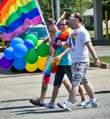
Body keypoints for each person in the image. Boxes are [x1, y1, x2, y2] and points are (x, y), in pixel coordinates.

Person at [57, 13, 101, 111]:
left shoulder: (83, 32)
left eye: (70, 19)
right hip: (75, 62)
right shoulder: (73, 32)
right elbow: (68, 45)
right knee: (85, 81)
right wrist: (61, 43)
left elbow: (90, 46)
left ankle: (68, 104)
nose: (69, 21)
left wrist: (95, 58)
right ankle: (94, 101)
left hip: (82, 61)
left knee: (75, 83)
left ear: (77, 20)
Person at [29, 18, 75, 107]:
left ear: (53, 24)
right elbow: (44, 43)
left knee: (63, 79)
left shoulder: (61, 34)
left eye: (48, 25)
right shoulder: (50, 35)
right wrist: (36, 48)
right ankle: (42, 100)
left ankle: (77, 97)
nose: (47, 27)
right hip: (51, 59)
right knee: (57, 79)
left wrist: (60, 55)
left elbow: (69, 46)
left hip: (58, 60)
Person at [43, 18, 87, 109]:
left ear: (68, 26)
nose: (62, 26)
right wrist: (53, 44)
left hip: (67, 63)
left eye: (64, 24)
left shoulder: (70, 34)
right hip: (59, 64)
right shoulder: (58, 34)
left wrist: (61, 55)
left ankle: (84, 99)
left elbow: (69, 47)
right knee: (56, 84)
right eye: (61, 24)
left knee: (75, 83)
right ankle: (52, 103)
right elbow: (57, 47)